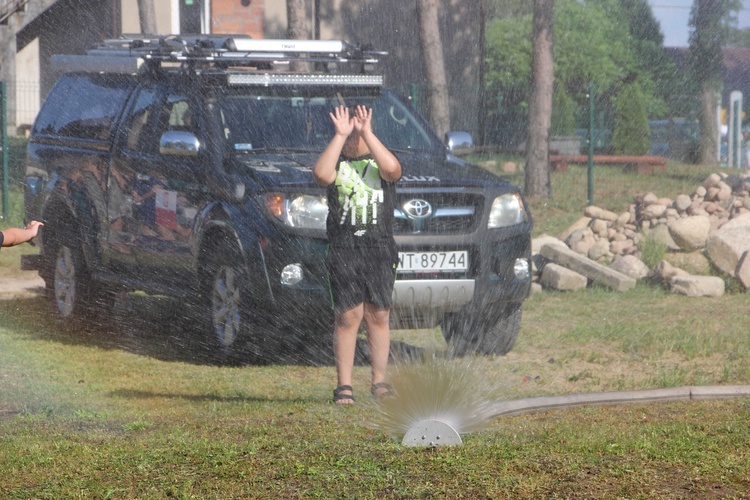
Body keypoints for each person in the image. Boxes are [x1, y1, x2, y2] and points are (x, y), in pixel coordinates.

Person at [313, 103, 402, 405]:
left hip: (379, 247)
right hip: (345, 247)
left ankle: (379, 381)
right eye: (349, 131)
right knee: (348, 315)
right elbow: (321, 175)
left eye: (356, 132)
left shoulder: (380, 162)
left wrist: (368, 132)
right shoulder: (336, 162)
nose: (354, 138)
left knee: (378, 314)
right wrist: (340, 136)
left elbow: (393, 170)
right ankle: (344, 386)